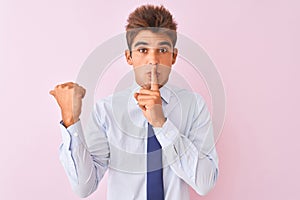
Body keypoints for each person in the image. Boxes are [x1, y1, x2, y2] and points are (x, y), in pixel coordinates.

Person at [49, 4, 218, 200]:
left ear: (173, 56)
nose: (153, 60)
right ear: (129, 57)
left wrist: (161, 124)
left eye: (162, 50)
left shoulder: (194, 106)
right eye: (143, 50)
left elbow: (205, 184)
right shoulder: (107, 111)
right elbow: (84, 187)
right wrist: (70, 121)